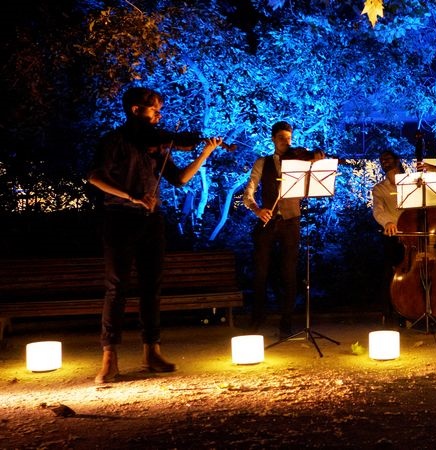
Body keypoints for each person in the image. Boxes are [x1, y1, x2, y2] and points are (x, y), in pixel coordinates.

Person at [88, 86, 222, 384]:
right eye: (154, 110)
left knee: (152, 287)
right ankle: (110, 358)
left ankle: (152, 351)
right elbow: (94, 177)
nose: (159, 115)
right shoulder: (114, 140)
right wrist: (132, 195)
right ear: (135, 110)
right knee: (116, 287)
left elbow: (180, 179)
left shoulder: (158, 145)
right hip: (119, 218)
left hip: (152, 220)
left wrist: (205, 152)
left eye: (160, 110)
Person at [243, 121, 324, 337]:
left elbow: (311, 183)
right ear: (273, 139)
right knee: (261, 272)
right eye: (281, 138)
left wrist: (316, 159)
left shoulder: (299, 160)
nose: (286, 142)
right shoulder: (263, 162)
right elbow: (248, 192)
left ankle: (286, 322)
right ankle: (257, 318)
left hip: (291, 221)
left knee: (289, 272)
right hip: (267, 221)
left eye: (289, 138)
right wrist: (257, 209)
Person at [372, 150, 406, 328]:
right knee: (391, 272)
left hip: (414, 234)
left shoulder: (413, 182)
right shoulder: (379, 188)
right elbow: (378, 210)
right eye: (382, 159)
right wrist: (388, 223)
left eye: (388, 159)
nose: (384, 161)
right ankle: (392, 311)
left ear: (397, 160)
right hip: (394, 234)